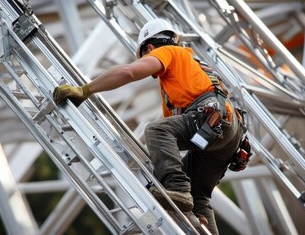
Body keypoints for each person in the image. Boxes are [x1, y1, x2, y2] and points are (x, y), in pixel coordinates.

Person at [53, 18, 246, 235]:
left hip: (210, 118)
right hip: (227, 133)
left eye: (146, 55)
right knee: (198, 195)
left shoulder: (168, 52)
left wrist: (85, 90)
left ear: (151, 47)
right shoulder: (191, 66)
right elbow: (175, 138)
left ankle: (177, 189)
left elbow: (128, 72)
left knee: (156, 130)